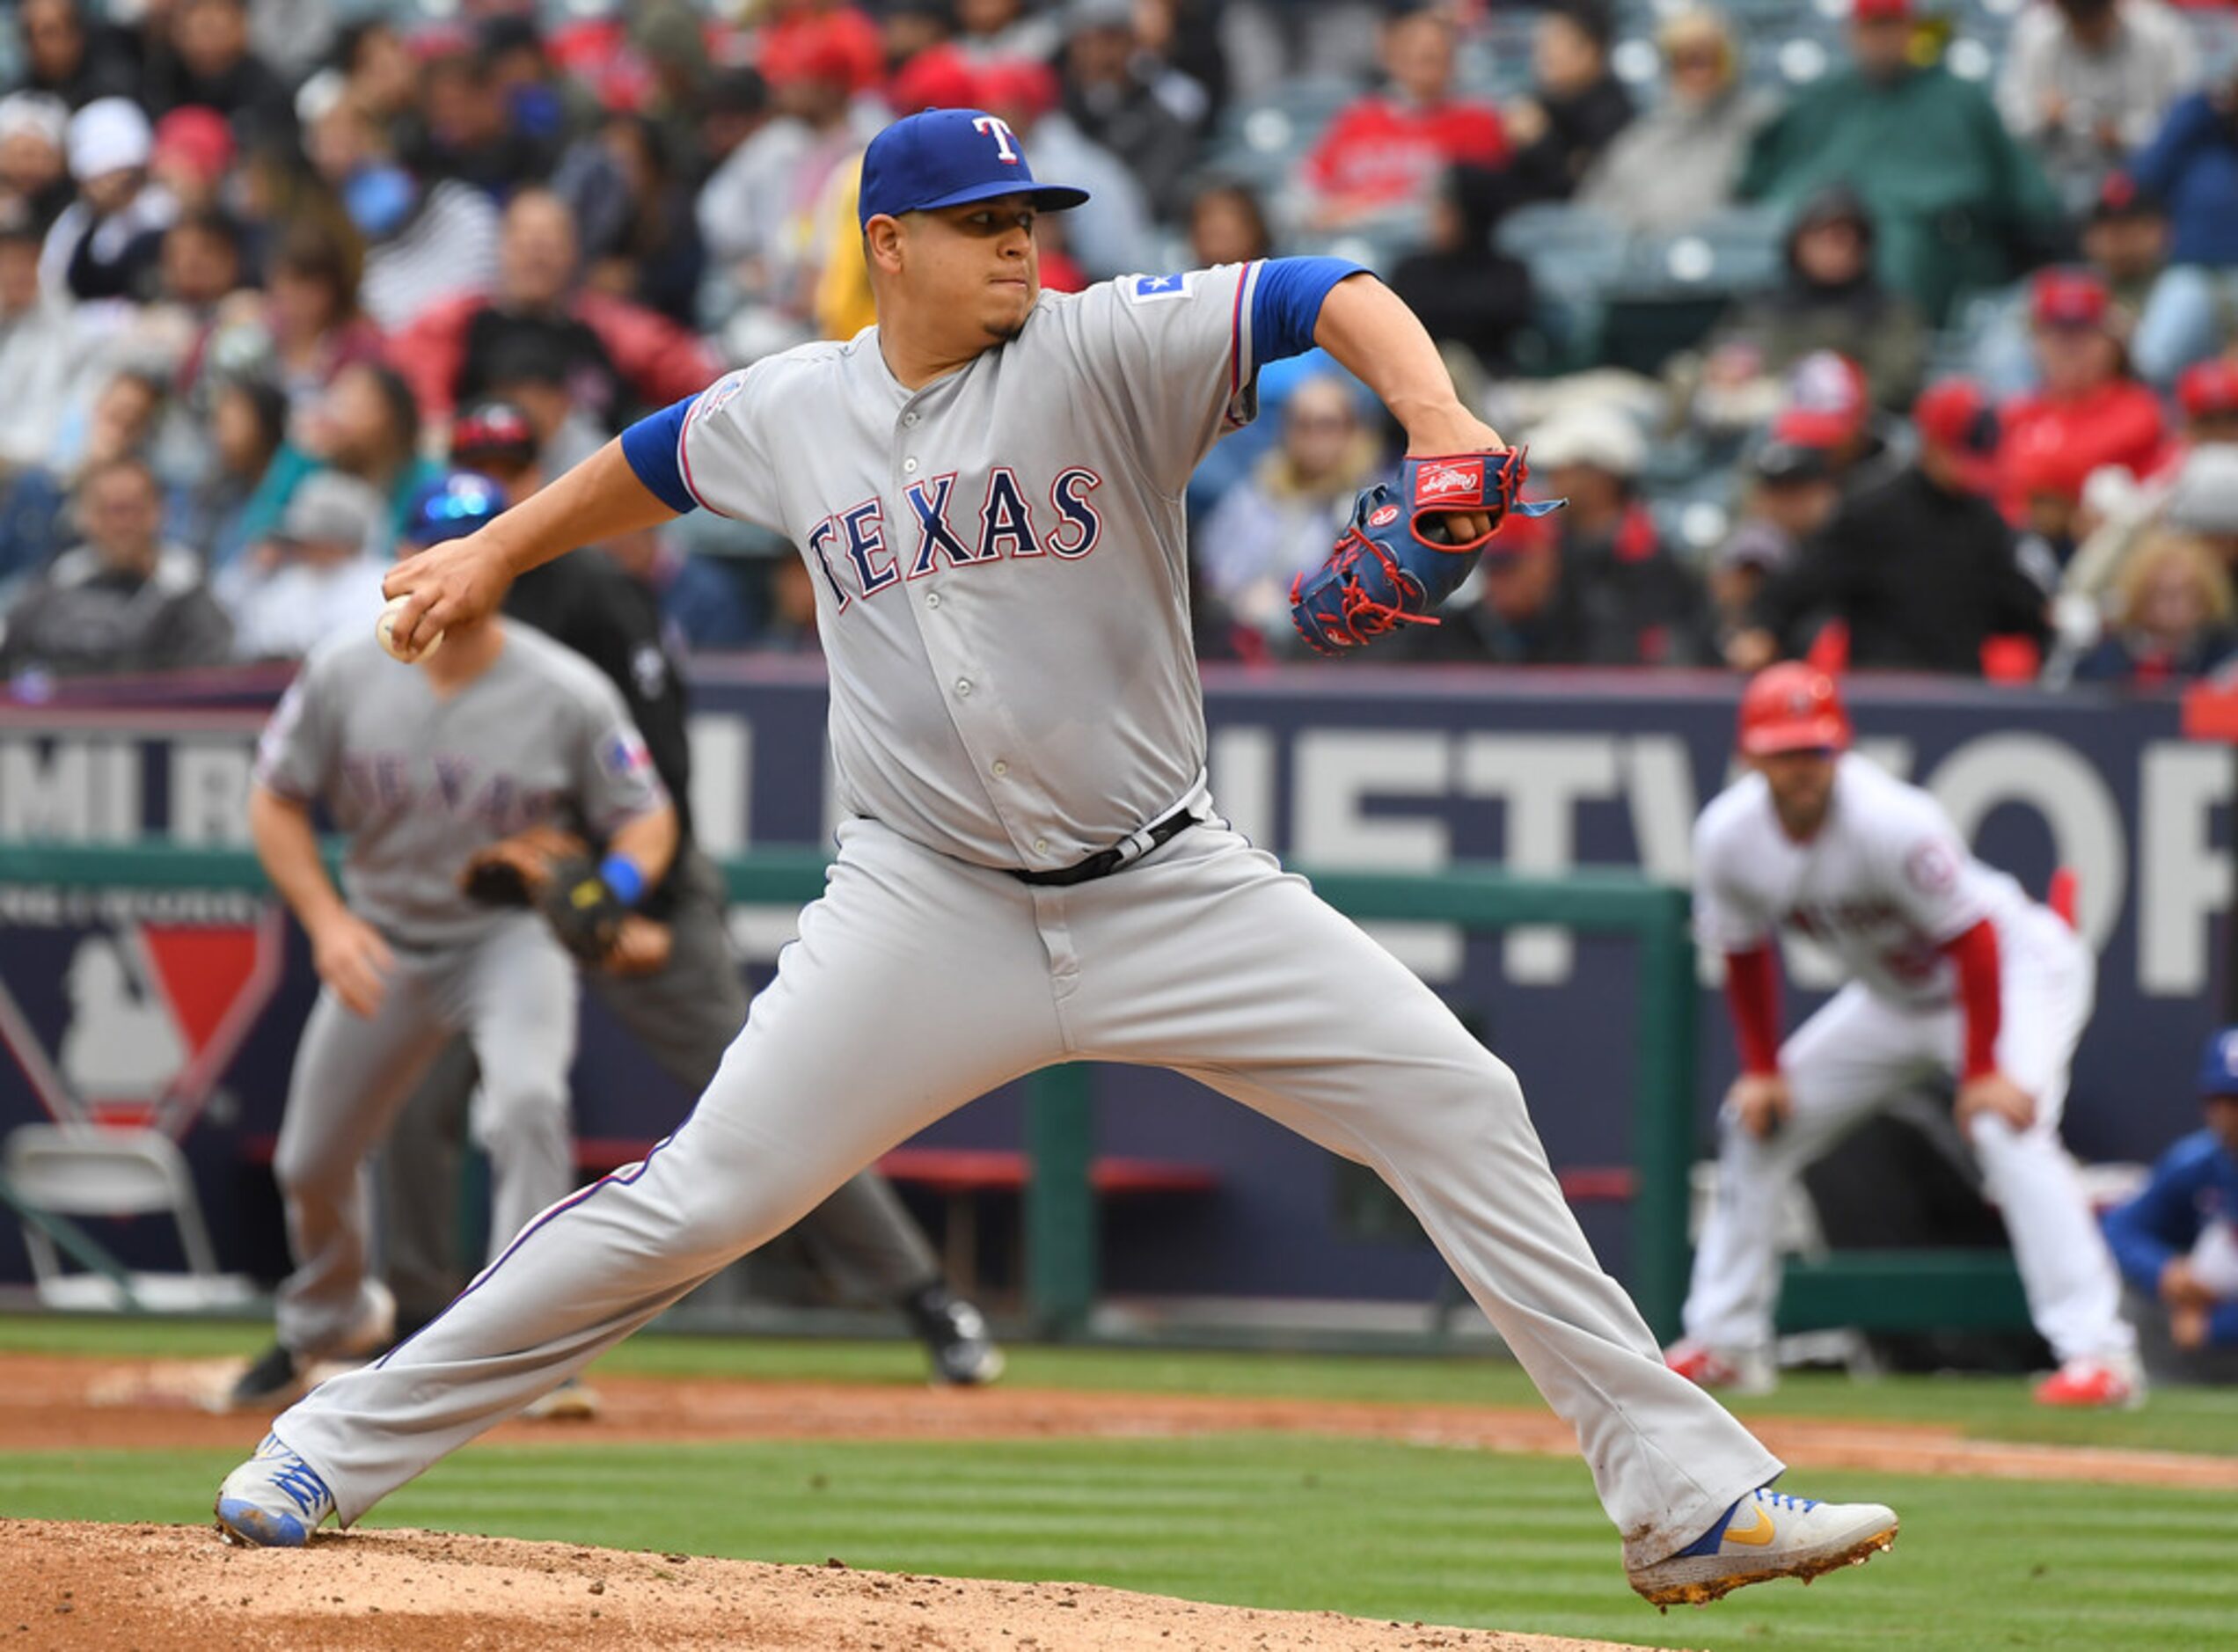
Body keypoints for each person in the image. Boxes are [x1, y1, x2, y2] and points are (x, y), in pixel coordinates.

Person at [215, 107, 1899, 1610]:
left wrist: (1435, 408)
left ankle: (1681, 1497)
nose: (1021, 240)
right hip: (920, 903)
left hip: (1174, 883)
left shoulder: (1101, 352)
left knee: (1458, 1097)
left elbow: (1319, 286)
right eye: (982, 222)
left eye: (1030, 216)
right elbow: (647, 463)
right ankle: (331, 1443)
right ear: (887, 244)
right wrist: (494, 552)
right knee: (698, 1199)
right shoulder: (794, 407)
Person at [374, 472, 1006, 1393]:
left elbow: (657, 774)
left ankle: (924, 1298)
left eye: (481, 522)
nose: (459, 545)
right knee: (413, 1095)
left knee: (774, 1102)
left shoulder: (584, 597)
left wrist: (637, 903)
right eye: (437, 532)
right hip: (498, 900)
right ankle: (421, 1322)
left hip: (627, 880)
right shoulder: (390, 651)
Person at [226, 543, 680, 1409]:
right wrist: (326, 922)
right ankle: (331, 1318)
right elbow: (274, 795)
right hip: (385, 938)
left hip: (509, 940)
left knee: (527, 1106)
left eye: (473, 544)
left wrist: (609, 890)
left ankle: (524, 1341)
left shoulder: (565, 687)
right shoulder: (344, 669)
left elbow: (646, 821)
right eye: (436, 543)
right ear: (402, 564)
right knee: (311, 1160)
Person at [1671, 663, 2142, 1407]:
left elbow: (1975, 940)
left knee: (2005, 1130)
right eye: (1786, 751)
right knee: (1754, 1124)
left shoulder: (1890, 817)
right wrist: (1763, 1066)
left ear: (1841, 749)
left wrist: (1985, 1067)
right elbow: (1743, 949)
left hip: (2017, 974)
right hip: (1896, 997)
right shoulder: (1729, 836)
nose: (1803, 769)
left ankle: (2100, 1355)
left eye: (1815, 750)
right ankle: (1727, 1341)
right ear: (1753, 756)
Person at [1739, 0, 2065, 325]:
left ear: (1910, 29)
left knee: (1902, 252)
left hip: (1940, 248)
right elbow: (1761, 177)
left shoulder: (1957, 96)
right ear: (1851, 32)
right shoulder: (1824, 97)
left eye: (1890, 25)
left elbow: (2025, 190)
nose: (1882, 38)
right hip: (1830, 233)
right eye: (1872, 27)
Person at [1732, 379, 2051, 674]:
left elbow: (2018, 605)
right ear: (1930, 444)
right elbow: (1798, 584)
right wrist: (1764, 630)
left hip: (1958, 693)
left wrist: (2048, 615)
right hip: (1883, 694)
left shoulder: (1985, 521)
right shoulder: (1874, 513)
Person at [1693, 186, 1927, 421]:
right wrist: (1721, 370)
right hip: (1740, 424)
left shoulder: (1887, 311)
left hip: (1838, 433)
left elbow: (1898, 383)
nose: (1830, 251)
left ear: (1862, 246)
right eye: (1819, 238)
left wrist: (1823, 393)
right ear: (1797, 243)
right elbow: (1715, 354)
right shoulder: (1762, 303)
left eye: (1841, 239)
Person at [1196, 375, 1383, 654]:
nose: (1314, 438)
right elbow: (1215, 571)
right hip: (1249, 643)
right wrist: (1242, 597)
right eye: (1303, 424)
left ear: (1351, 431)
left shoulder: (1372, 502)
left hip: (1341, 652)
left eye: (1327, 425)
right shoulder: (1255, 494)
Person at [0, 454, 231, 680]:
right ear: (86, 517)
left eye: (134, 509)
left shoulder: (187, 590)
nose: (123, 524)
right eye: (110, 511)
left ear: (158, 513)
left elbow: (209, 680)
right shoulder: (60, 580)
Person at [2100, 1029, 2238, 1380]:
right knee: (2130, 1293)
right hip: (2205, 1310)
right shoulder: (2196, 1163)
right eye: (2224, 1100)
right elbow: (2119, 1228)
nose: (2230, 1113)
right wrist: (2166, 1271)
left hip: (2215, 1321)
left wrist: (2216, 1325)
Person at [1299, 5, 1507, 233]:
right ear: (1392, 57)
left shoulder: (1478, 122)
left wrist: (1372, 212)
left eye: (1432, 55)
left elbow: (1477, 207)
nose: (1422, 63)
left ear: (1453, 58)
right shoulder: (1357, 117)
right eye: (1413, 52)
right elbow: (1309, 190)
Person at [1578, 8, 1778, 234]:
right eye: (1687, 62)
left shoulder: (1763, 126)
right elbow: (1592, 227)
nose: (1698, 75)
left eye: (1708, 61)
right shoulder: (1637, 145)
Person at [1995, 268, 2169, 527]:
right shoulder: (2015, 413)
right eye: (2056, 333)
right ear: (2035, 343)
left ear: (2111, 343)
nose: (2069, 347)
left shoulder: (2140, 408)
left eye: (2083, 333)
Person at [1994, 0, 2194, 205]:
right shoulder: (2034, 34)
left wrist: (2124, 134)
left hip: (2141, 177)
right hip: (2054, 180)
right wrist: (2043, 117)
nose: (2088, 29)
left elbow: (2185, 121)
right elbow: (2008, 122)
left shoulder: (2161, 33)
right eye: (2076, 16)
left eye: (2094, 14)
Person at [2127, 64, 2238, 390]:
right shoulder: (2201, 142)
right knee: (2153, 357)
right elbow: (2140, 180)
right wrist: (2203, 106)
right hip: (2193, 274)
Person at [216, 468, 389, 662]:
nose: (302, 545)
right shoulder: (289, 583)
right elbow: (240, 632)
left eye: (315, 536)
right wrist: (252, 570)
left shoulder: (381, 582)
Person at [2068, 525, 2237, 681]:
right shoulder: (2105, 659)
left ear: (2205, 598)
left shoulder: (2226, 660)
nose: (2172, 604)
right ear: (2139, 597)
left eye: (2184, 592)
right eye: (2160, 593)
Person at [1506, 0, 1635, 203]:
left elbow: (1589, 194)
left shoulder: (1613, 114)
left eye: (1556, 39)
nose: (1544, 51)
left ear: (1592, 48)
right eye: (1541, 40)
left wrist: (1540, 143)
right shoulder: (1540, 103)